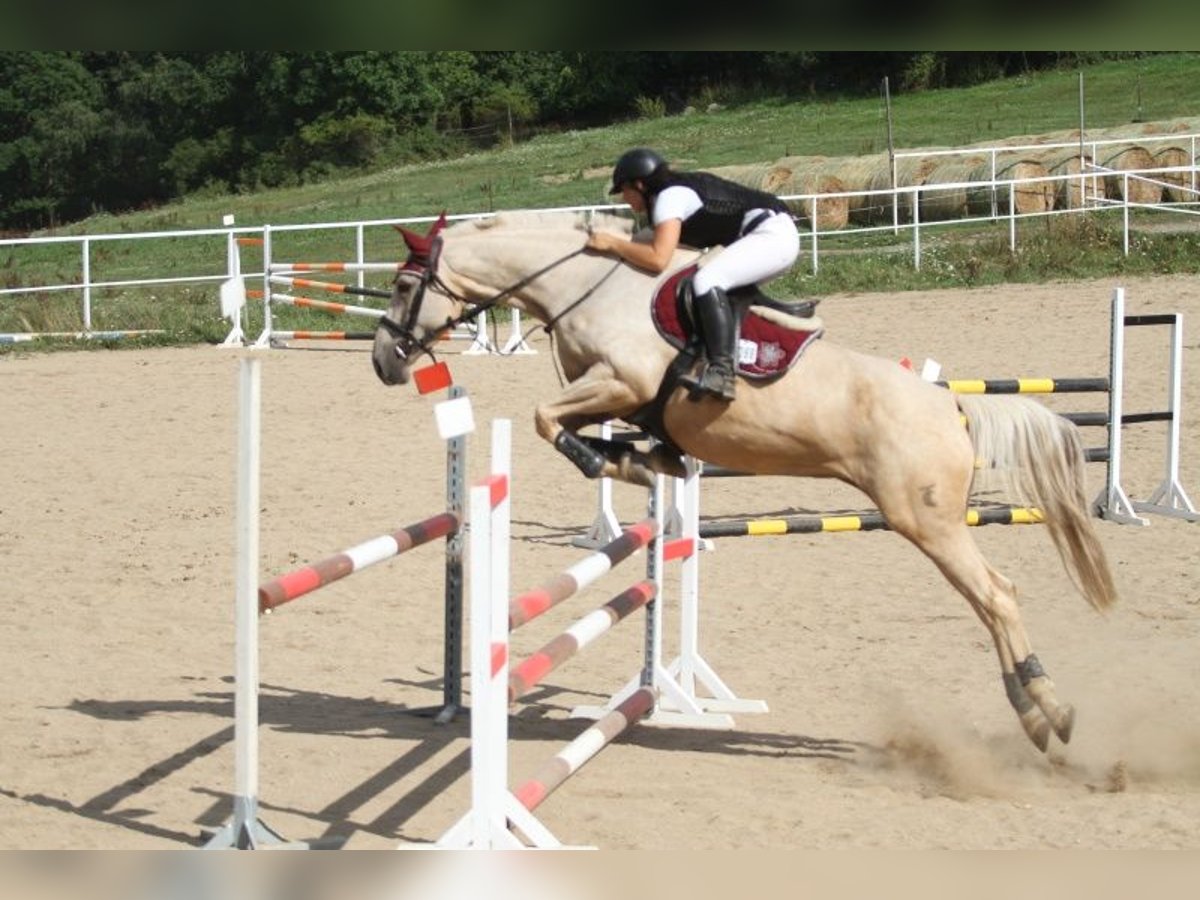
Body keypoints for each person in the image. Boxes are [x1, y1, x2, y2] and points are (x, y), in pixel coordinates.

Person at [586, 147, 800, 402]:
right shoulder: (671, 194)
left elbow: (657, 259)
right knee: (706, 280)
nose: (625, 200)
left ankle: (721, 372)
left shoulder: (669, 198)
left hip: (771, 236)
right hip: (766, 234)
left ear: (640, 184)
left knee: (708, 280)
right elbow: (654, 246)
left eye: (625, 191)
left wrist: (613, 243)